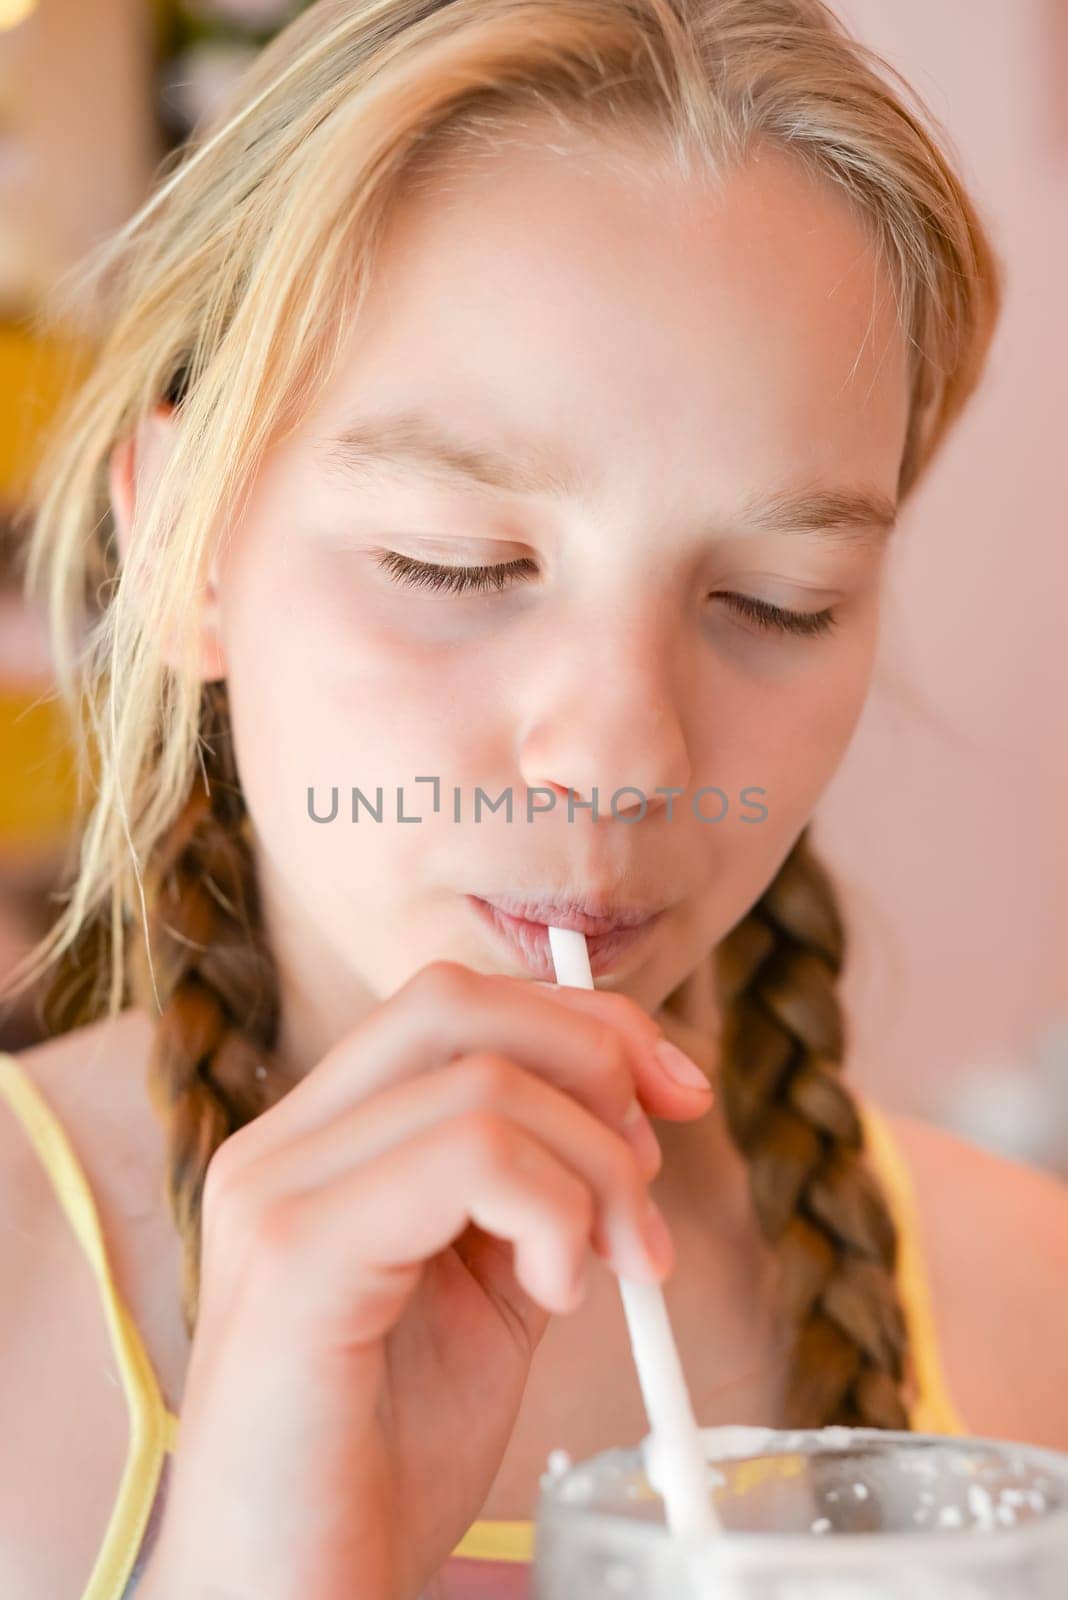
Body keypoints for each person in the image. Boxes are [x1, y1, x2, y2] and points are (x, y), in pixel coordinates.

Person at [1, 1, 1066, 1596]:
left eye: (779, 598)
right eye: (461, 565)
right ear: (180, 550)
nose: (627, 753)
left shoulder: (1030, 1309)